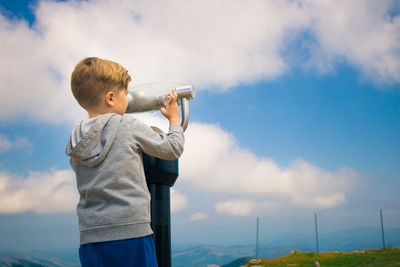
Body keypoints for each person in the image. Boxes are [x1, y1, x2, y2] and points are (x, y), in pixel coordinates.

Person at [66, 57, 184, 267]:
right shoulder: (126, 126)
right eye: (126, 93)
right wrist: (174, 120)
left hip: (90, 238)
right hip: (131, 233)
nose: (128, 99)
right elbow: (173, 148)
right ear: (111, 98)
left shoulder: (76, 138)